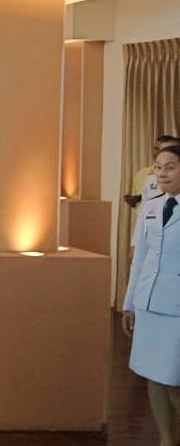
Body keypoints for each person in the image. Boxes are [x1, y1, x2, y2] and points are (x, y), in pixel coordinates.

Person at [123, 144, 180, 446]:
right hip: (149, 302)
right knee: (153, 375)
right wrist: (130, 303)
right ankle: (166, 439)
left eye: (170, 167)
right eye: (158, 167)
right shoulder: (152, 206)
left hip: (176, 307)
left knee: (173, 380)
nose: (162, 173)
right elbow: (141, 259)